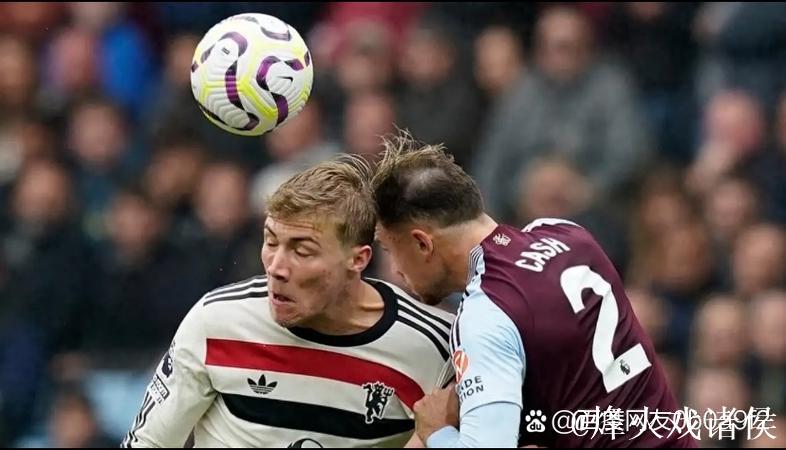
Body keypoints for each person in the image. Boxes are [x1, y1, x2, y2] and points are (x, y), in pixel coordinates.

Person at [371, 133, 696, 448]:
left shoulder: (486, 313)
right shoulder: (568, 234)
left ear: (422, 243)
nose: (396, 270)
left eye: (389, 249)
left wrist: (436, 431)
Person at [122, 156, 454, 448]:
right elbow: (148, 442)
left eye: (302, 250)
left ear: (358, 260)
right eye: (271, 241)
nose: (276, 267)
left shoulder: (436, 346)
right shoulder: (217, 323)